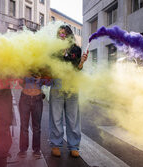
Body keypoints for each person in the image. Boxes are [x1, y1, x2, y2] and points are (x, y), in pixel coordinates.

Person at [49, 25, 88, 158]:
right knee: (56, 116)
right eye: (60, 33)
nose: (62, 35)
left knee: (73, 118)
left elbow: (77, 69)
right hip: (57, 84)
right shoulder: (53, 49)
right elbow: (48, 67)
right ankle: (56, 144)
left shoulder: (76, 49)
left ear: (69, 35)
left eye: (64, 33)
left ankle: (74, 146)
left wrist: (82, 62)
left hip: (72, 84)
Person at [17, 70, 47, 158]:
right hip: (25, 98)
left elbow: (48, 82)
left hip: (37, 98)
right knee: (24, 126)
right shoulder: (24, 65)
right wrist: (25, 75)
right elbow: (19, 82)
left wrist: (41, 78)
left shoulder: (41, 65)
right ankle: (23, 150)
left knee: (37, 127)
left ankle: (37, 150)